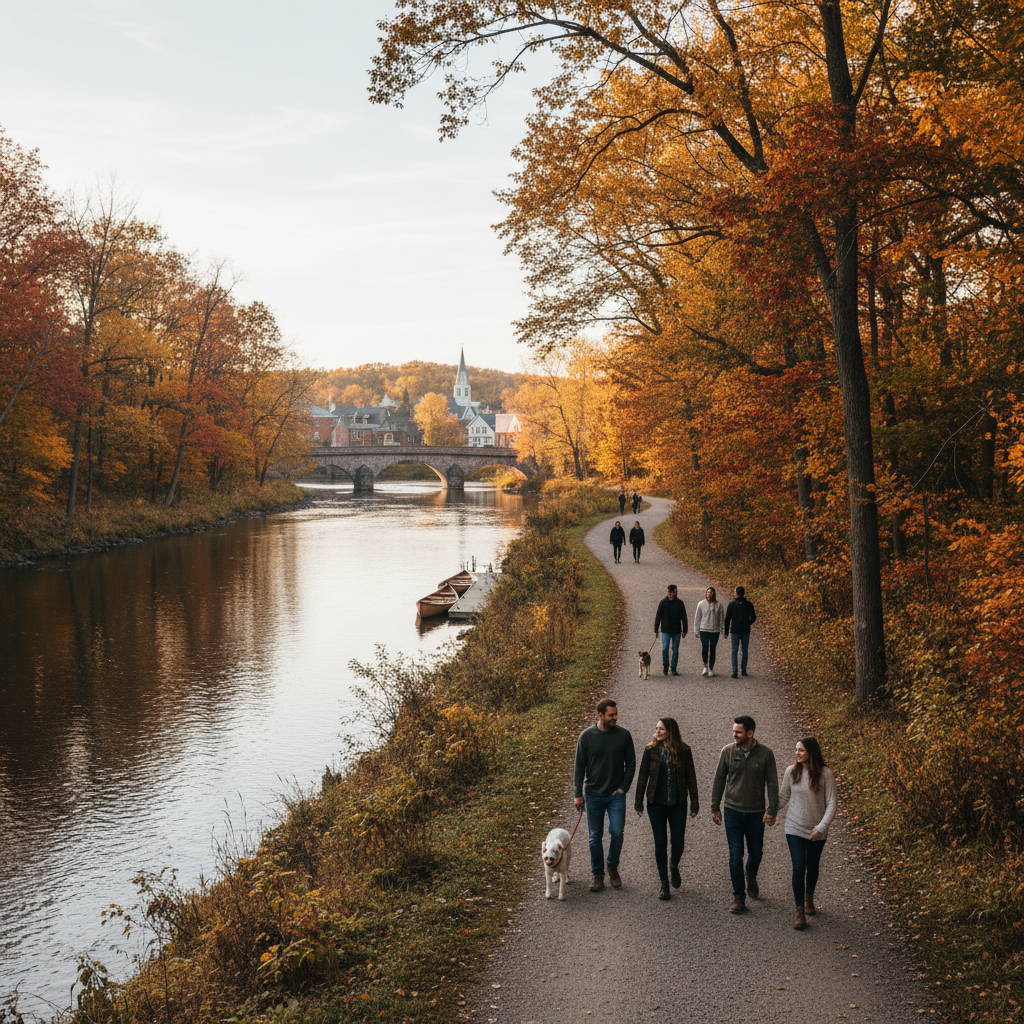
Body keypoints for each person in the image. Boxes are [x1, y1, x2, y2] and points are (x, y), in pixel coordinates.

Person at [711, 715, 779, 914]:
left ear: (750, 733)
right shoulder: (727, 752)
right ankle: (738, 896)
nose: (734, 735)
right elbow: (719, 780)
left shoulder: (766, 754)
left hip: (756, 812)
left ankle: (751, 875)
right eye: (734, 731)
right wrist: (715, 807)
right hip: (732, 810)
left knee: (756, 853)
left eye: (738, 732)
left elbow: (772, 783)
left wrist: (772, 810)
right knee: (735, 854)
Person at [574, 699, 637, 892]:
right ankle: (597, 874)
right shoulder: (586, 736)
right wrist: (578, 794)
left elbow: (632, 763)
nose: (615, 718)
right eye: (611, 715)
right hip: (593, 794)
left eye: (616, 714)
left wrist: (624, 788)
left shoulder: (624, 735)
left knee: (617, 832)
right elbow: (579, 767)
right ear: (600, 715)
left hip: (615, 794)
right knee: (595, 836)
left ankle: (612, 866)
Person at [634, 718, 699, 900]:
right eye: (656, 728)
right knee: (660, 843)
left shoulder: (684, 750)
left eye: (661, 729)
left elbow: (691, 777)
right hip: (656, 804)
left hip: (678, 803)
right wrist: (638, 803)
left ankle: (674, 864)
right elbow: (642, 776)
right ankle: (664, 882)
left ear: (670, 731)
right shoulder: (650, 750)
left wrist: (695, 804)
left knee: (678, 842)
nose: (657, 731)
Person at [778, 737, 836, 930]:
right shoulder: (791, 771)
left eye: (801, 750)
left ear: (811, 752)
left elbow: (832, 804)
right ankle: (799, 911)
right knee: (798, 866)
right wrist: (767, 810)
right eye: (796, 750)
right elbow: (783, 796)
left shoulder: (825, 774)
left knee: (812, 865)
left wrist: (821, 827)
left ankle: (809, 896)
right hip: (794, 826)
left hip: (817, 829)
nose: (797, 753)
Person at [654, 584, 688, 676]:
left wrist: (685, 630)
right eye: (674, 591)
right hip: (665, 630)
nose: (676, 593)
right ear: (670, 592)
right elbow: (658, 616)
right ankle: (665, 665)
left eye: (676, 591)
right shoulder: (663, 603)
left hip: (676, 630)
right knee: (665, 649)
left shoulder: (680, 603)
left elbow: (684, 617)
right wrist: (656, 629)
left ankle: (673, 668)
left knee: (675, 649)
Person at [724, 585, 757, 678]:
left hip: (735, 630)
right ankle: (744, 670)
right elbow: (753, 617)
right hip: (745, 630)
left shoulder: (732, 604)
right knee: (744, 651)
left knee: (734, 651)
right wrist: (748, 623)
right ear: (744, 593)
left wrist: (726, 632)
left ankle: (735, 670)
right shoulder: (749, 604)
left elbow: (727, 619)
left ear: (736, 593)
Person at [693, 586, 725, 677]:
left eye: (711, 592)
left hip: (715, 630)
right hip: (704, 629)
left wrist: (723, 630)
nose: (709, 594)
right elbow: (697, 618)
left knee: (713, 648)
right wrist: (696, 630)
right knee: (705, 647)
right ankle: (705, 666)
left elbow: (722, 618)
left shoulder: (719, 605)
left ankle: (711, 668)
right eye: (707, 592)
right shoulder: (701, 604)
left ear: (714, 594)